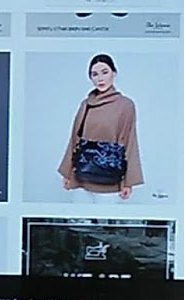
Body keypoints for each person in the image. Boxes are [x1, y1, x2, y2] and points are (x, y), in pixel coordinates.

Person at [58, 53, 143, 202]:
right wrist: (68, 173)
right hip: (82, 179)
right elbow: (75, 140)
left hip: (110, 182)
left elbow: (129, 141)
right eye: (95, 74)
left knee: (106, 216)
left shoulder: (125, 105)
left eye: (105, 72)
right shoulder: (86, 104)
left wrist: (128, 182)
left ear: (114, 73)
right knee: (79, 216)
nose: (100, 78)